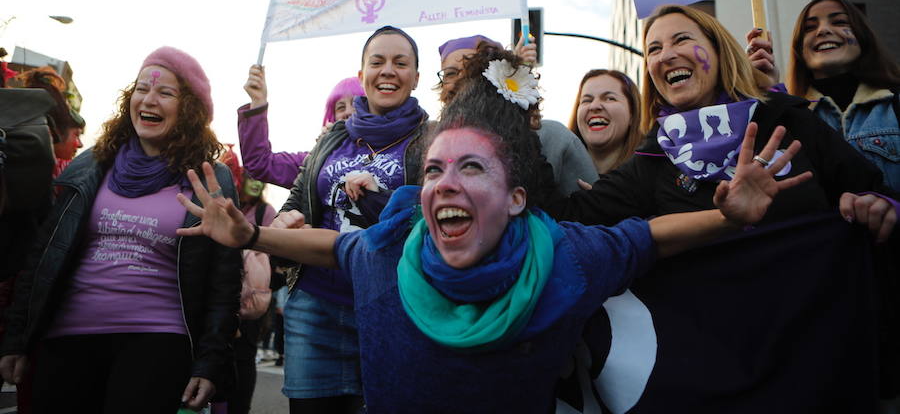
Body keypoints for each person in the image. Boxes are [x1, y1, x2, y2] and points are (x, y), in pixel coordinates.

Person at [176, 45, 817, 413]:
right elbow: (333, 245)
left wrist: (729, 216)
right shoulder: (391, 248)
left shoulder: (567, 257)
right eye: (432, 170)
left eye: (471, 167)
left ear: (515, 199)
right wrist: (252, 237)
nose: (444, 183)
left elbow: (650, 237)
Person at [552, 4, 897, 412]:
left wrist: (875, 205)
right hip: (719, 375)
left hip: (818, 356)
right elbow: (566, 220)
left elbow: (870, 188)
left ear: (718, 52)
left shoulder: (785, 118)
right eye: (654, 49)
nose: (665, 55)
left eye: (682, 39)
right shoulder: (653, 158)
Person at [0, 47, 241, 414]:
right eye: (142, 88)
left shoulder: (209, 178)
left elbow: (224, 280)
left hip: (158, 343)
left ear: (190, 109)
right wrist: (16, 338)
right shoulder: (92, 165)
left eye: (166, 92)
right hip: (67, 338)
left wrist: (210, 361)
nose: (149, 99)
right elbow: (44, 254)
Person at [275, 25, 429, 413]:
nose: (388, 71)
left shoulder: (434, 140)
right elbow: (298, 198)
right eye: (377, 62)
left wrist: (381, 198)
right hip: (314, 307)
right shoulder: (332, 137)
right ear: (362, 76)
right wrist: (283, 224)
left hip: (391, 308)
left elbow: (435, 218)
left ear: (415, 77)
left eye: (400, 63)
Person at [437, 34, 597, 195]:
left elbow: (590, 210)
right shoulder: (431, 140)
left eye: (472, 70)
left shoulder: (554, 138)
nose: (460, 79)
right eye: (450, 73)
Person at [782, 0, 900, 192]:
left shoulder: (894, 101)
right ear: (799, 49)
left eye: (839, 22)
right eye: (809, 28)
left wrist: (893, 207)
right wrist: (766, 91)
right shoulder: (789, 114)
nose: (823, 30)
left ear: (862, 36)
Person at [218, 147, 277, 414]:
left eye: (259, 179)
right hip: (223, 290)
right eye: (249, 177)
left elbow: (275, 255)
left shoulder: (266, 211)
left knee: (244, 356)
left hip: (251, 298)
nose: (255, 183)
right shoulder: (229, 203)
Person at [238, 65, 365, 188]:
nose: (348, 112)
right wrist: (258, 101)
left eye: (355, 104)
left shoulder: (383, 152)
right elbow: (261, 163)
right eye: (341, 107)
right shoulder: (314, 162)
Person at [568, 69, 643, 174]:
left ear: (632, 113)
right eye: (587, 100)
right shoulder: (554, 177)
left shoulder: (654, 175)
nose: (594, 106)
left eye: (609, 98)